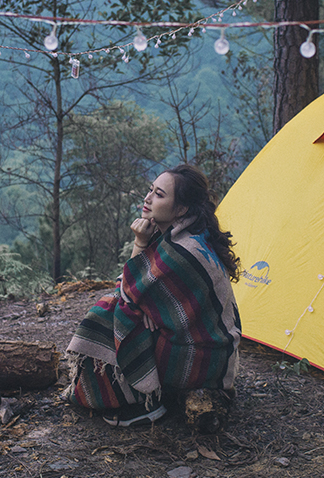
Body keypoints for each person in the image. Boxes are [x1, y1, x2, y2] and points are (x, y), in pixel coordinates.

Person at [65, 164, 242, 427]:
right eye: (150, 190)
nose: (147, 198)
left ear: (181, 209)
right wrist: (143, 304)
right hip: (211, 352)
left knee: (107, 314)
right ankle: (140, 392)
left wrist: (138, 250)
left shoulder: (183, 251)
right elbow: (129, 287)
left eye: (159, 195)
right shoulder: (181, 235)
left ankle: (142, 403)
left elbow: (123, 291)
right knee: (122, 311)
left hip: (202, 358)